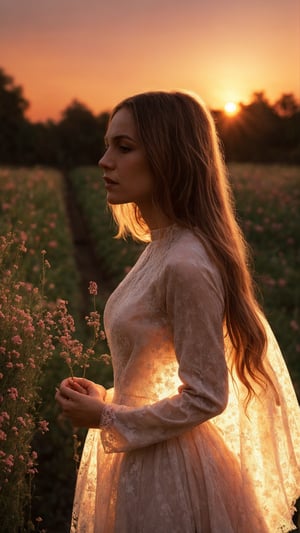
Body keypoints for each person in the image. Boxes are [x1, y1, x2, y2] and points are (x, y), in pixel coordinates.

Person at [55, 91, 300, 533]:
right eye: (108, 144)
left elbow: (206, 395)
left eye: (124, 147)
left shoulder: (186, 262)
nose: (104, 160)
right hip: (144, 456)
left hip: (170, 478)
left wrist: (107, 418)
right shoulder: (161, 247)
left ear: (169, 156)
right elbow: (156, 375)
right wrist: (109, 397)